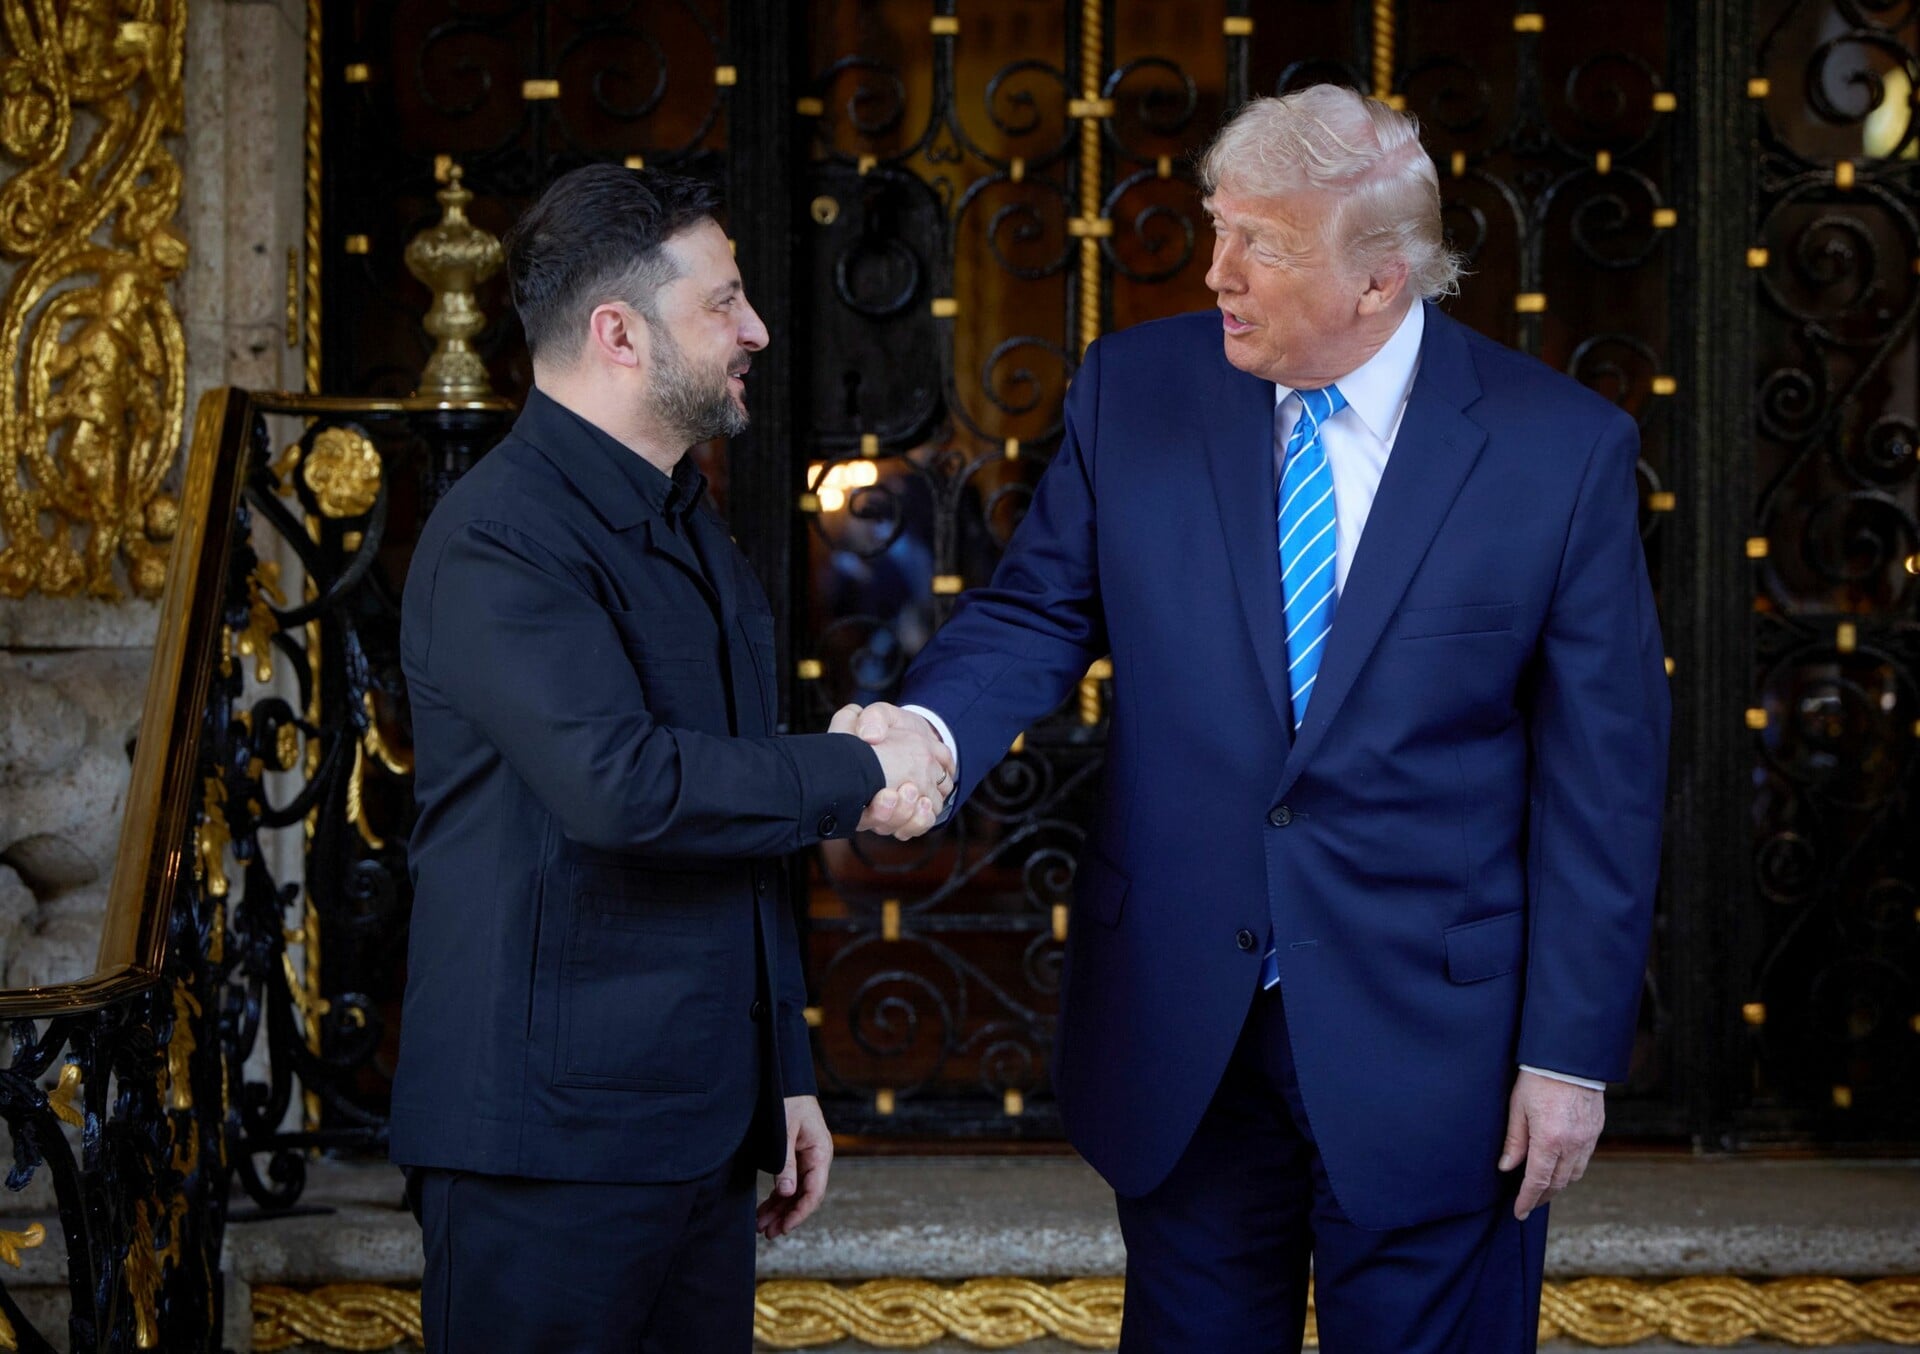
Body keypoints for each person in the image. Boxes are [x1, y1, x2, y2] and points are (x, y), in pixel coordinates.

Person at [852, 85, 1670, 1352]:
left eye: (1262, 246)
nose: (1217, 271)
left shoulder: (1560, 450)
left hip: (1437, 1051)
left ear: (1381, 280)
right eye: (1218, 226)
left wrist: (1568, 1054)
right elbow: (1034, 614)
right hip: (1184, 1030)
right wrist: (931, 734)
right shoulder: (1134, 389)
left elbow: (1602, 776)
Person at [389, 164, 951, 1354]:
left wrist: (782, 1073)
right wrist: (861, 774)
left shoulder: (686, 517)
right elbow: (628, 789)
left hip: (695, 1131)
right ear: (620, 334)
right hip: (546, 1154)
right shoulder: (501, 536)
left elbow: (731, 828)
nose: (756, 331)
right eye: (724, 302)